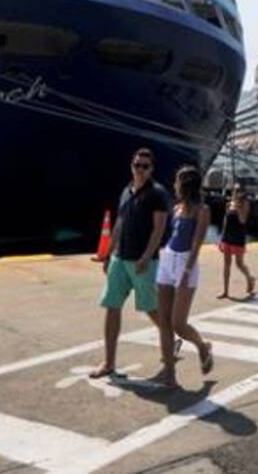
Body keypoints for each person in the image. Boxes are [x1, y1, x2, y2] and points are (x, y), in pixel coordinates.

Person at [91, 147, 170, 379]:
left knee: (152, 308)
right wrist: (107, 255)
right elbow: (119, 224)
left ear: (152, 168)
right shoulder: (126, 191)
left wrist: (147, 256)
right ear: (131, 165)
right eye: (137, 165)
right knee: (112, 305)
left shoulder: (157, 193)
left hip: (142, 261)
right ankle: (109, 363)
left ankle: (170, 341)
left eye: (145, 166)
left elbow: (159, 228)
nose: (140, 170)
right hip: (120, 257)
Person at [153, 165, 214, 387]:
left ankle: (202, 346)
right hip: (168, 259)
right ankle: (169, 373)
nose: (174, 185)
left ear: (185, 184)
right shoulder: (177, 208)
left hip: (186, 264)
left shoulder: (202, 210)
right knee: (164, 321)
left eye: (177, 181)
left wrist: (187, 271)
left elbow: (197, 242)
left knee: (178, 323)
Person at [217, 184, 257, 299]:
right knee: (226, 264)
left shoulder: (245, 204)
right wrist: (222, 237)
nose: (237, 192)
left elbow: (243, 220)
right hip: (227, 237)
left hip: (238, 237)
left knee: (239, 264)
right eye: (235, 190)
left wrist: (239, 208)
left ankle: (250, 278)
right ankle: (225, 291)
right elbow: (226, 220)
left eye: (239, 190)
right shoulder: (229, 204)